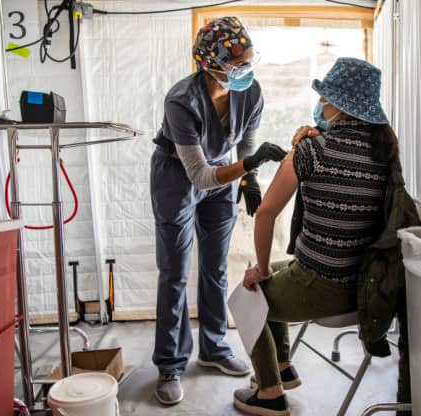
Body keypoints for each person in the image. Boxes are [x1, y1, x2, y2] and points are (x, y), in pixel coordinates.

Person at [232, 57, 414, 416]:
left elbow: (265, 213)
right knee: (268, 272)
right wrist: (268, 269)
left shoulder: (312, 150)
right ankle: (282, 367)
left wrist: (263, 272)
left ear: (339, 105)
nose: (320, 104)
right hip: (366, 284)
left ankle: (270, 394)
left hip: (321, 284)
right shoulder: (383, 154)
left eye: (324, 97)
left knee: (247, 293)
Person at [150, 17, 286, 405]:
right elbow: (199, 175)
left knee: (215, 266)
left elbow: (247, 143)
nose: (245, 69)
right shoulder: (181, 101)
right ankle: (170, 364)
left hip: (223, 173)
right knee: (174, 272)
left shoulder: (251, 91)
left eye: (248, 60)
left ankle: (212, 347)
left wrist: (249, 178)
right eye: (236, 63)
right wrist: (244, 168)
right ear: (210, 62)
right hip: (178, 175)